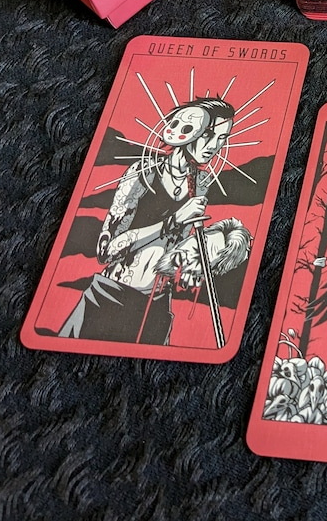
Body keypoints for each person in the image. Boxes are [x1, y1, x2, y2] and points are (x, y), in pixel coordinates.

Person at [58, 97, 251, 344]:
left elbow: (176, 248)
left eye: (222, 138)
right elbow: (105, 252)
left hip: (157, 307)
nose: (214, 146)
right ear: (187, 132)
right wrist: (174, 220)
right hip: (111, 296)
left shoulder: (201, 183)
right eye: (208, 135)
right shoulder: (143, 174)